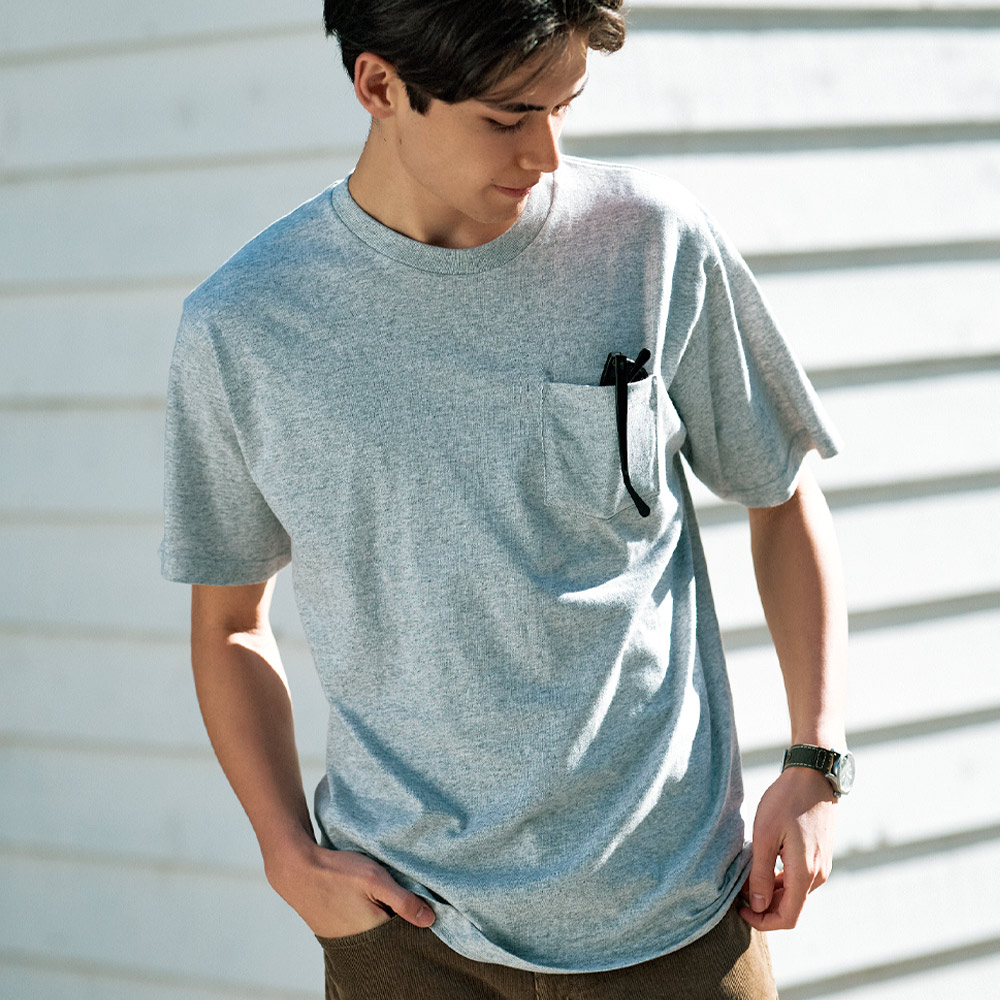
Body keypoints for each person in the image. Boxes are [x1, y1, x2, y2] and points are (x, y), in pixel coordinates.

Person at [160, 2, 853, 997]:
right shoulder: (245, 327)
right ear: (379, 86)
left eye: (562, 107)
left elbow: (779, 497)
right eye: (507, 117)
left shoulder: (652, 244)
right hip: (407, 941)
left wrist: (817, 760)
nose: (545, 154)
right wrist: (285, 850)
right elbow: (229, 621)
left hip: (682, 923)